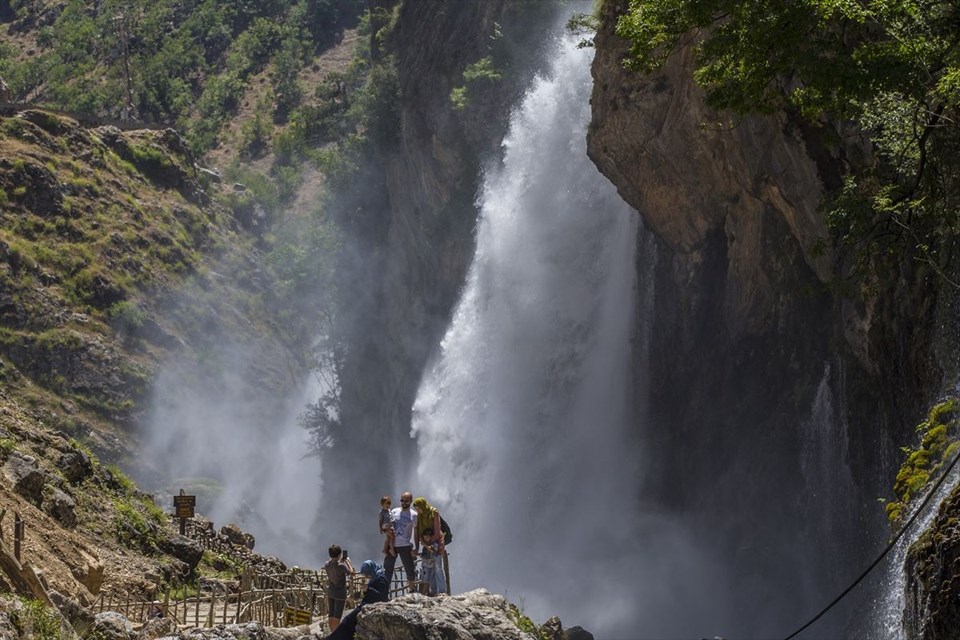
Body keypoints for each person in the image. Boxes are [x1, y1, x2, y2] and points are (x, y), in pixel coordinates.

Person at [324, 560, 389, 640]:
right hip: (367, 605)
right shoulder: (377, 577)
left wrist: (368, 588)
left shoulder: (381, 579)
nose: (367, 577)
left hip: (372, 606)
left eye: (367, 574)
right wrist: (367, 591)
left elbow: (380, 596)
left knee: (349, 621)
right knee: (348, 621)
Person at [383, 491, 418, 594]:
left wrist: (416, 548)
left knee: (409, 569)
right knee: (388, 568)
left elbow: (416, 533)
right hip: (392, 544)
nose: (404, 502)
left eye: (406, 500)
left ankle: (411, 591)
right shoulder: (394, 511)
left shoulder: (414, 515)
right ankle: (384, 592)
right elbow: (387, 526)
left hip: (405, 545)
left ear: (411, 501)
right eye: (402, 500)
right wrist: (387, 542)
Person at [324, 544, 354, 633]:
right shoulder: (342, 566)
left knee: (331, 615)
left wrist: (339, 560)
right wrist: (348, 562)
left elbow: (333, 564)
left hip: (331, 592)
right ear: (339, 554)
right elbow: (351, 572)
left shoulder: (326, 564)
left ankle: (331, 632)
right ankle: (335, 635)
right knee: (337, 616)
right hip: (340, 594)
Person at [418, 528, 447, 596]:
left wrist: (425, 545)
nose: (426, 538)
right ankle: (431, 592)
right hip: (427, 565)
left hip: (433, 563)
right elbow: (424, 555)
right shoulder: (426, 545)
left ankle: (441, 591)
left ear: (431, 537)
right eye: (425, 537)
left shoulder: (434, 544)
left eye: (427, 537)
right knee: (429, 579)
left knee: (436, 575)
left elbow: (434, 551)